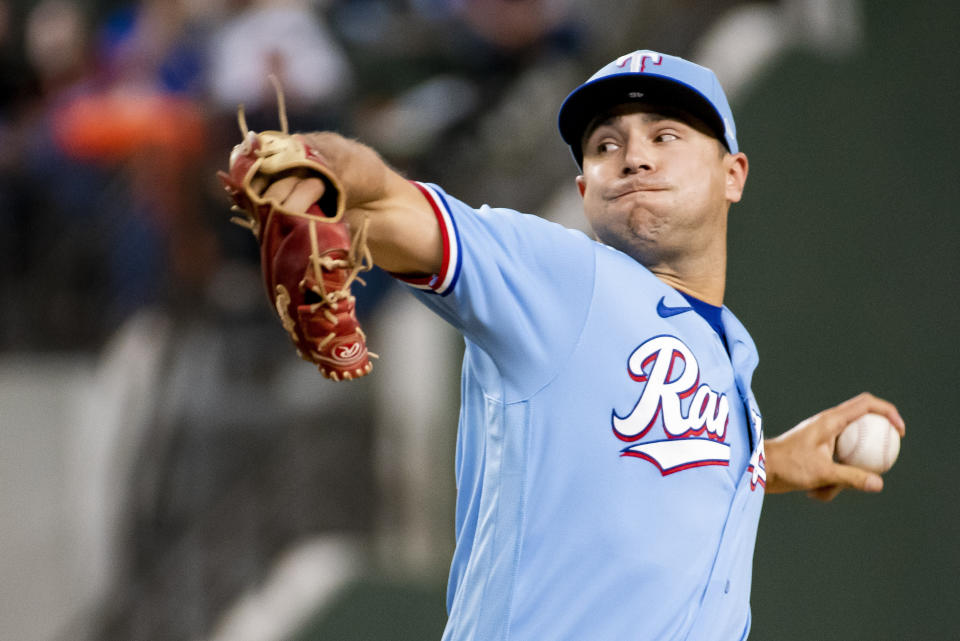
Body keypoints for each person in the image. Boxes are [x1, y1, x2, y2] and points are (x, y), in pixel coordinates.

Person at [254, 50, 905, 640]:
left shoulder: (727, 349)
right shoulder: (564, 279)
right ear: (583, 190)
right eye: (605, 143)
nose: (634, 155)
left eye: (666, 134)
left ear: (732, 173)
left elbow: (643, 471)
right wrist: (314, 166)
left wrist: (765, 462)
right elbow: (388, 203)